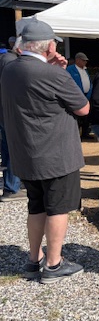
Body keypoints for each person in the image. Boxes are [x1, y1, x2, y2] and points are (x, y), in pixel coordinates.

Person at [1, 18, 89, 283]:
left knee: (36, 206)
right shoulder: (55, 75)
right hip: (56, 154)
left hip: (26, 153)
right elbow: (83, 107)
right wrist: (60, 71)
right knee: (57, 209)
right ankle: (53, 264)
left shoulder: (9, 69)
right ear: (50, 47)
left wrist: (52, 68)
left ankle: (34, 259)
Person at [0, 40, 25, 201]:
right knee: (13, 150)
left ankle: (11, 185)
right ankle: (11, 188)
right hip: (10, 113)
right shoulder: (10, 62)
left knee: (8, 150)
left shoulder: (5, 59)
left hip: (4, 112)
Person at [67, 52, 93, 138]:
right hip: (76, 96)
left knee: (86, 117)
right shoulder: (70, 69)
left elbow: (88, 81)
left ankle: (85, 133)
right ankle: (76, 135)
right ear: (77, 60)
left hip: (86, 96)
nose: (85, 62)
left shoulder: (85, 70)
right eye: (83, 60)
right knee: (77, 117)